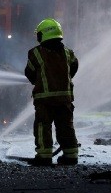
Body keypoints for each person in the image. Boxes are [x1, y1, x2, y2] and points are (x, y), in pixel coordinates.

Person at [23, 18, 80, 166]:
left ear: (42, 35)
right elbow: (74, 67)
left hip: (44, 100)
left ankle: (44, 156)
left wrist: (40, 81)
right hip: (65, 98)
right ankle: (71, 155)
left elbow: (30, 73)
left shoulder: (35, 53)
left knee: (43, 126)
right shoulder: (68, 52)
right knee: (66, 126)